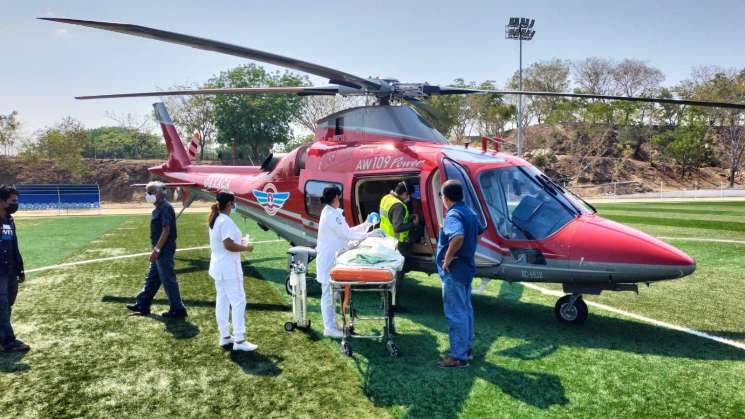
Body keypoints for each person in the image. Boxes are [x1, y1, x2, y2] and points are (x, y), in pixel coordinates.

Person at [315, 186, 374, 338]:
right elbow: (348, 235)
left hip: (333, 260)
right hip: (328, 261)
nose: (340, 199)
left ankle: (333, 324)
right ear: (336, 197)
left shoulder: (333, 213)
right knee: (328, 295)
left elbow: (348, 231)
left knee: (332, 295)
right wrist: (370, 234)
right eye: (339, 197)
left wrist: (367, 224)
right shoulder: (330, 215)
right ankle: (329, 327)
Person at [436, 180, 484, 368]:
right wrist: (468, 250)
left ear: (446, 198)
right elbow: (479, 233)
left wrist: (447, 259)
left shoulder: (453, 214)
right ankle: (466, 349)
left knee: (456, 313)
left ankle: (458, 357)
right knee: (465, 310)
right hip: (466, 268)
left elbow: (458, 236)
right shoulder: (469, 212)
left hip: (454, 271)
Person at [127, 181, 187, 318]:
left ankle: (178, 309)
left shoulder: (165, 208)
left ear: (160, 194)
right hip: (159, 249)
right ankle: (143, 304)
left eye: (150, 193)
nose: (147, 195)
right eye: (147, 192)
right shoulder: (158, 208)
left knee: (168, 280)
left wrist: (157, 250)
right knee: (152, 278)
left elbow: (166, 231)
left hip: (163, 250)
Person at [207, 191, 257, 352]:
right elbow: (228, 245)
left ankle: (225, 336)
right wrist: (246, 248)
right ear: (229, 204)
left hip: (219, 266)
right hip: (228, 267)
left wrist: (240, 242)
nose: (235, 206)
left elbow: (226, 242)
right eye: (234, 203)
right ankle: (240, 340)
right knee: (238, 301)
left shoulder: (216, 219)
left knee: (222, 300)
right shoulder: (225, 221)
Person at [0, 185, 29, 353]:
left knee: (7, 305)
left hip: (11, 270)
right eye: (13, 201)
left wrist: (20, 268)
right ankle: (7, 341)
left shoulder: (10, 220)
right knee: (2, 306)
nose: (16, 204)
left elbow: (13, 245)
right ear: (2, 201)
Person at [379, 181, 420, 256]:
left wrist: (408, 217)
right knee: (402, 264)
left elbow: (390, 216)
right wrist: (413, 224)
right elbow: (397, 228)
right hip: (398, 243)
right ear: (405, 193)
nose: (409, 198)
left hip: (386, 237)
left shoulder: (386, 198)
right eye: (409, 195)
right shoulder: (398, 206)